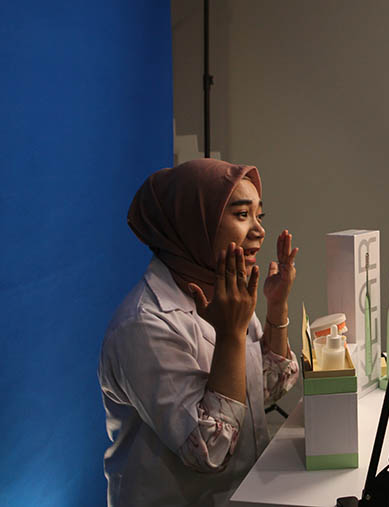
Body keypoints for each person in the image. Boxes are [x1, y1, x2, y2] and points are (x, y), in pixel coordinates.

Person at [98, 158, 300, 506]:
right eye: (241, 215)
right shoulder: (143, 325)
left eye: (259, 216)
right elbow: (210, 449)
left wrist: (276, 307)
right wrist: (232, 335)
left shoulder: (224, 293)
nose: (259, 230)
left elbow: (267, 388)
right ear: (195, 224)